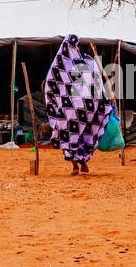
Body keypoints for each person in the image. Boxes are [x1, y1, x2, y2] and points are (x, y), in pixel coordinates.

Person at [42, 34, 111, 175]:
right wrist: (102, 100)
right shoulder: (88, 61)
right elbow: (97, 84)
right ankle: (83, 161)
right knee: (85, 134)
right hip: (88, 109)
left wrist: (55, 102)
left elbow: (50, 85)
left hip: (68, 110)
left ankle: (75, 166)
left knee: (68, 136)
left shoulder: (59, 64)